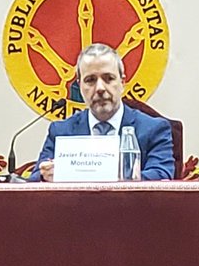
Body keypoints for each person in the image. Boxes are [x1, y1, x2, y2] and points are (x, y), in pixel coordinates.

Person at [31, 42, 175, 181]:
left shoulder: (153, 129)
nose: (100, 88)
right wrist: (45, 175)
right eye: (90, 80)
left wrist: (106, 175)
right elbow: (36, 177)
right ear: (79, 86)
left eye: (108, 78)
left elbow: (161, 174)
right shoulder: (61, 131)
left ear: (122, 83)